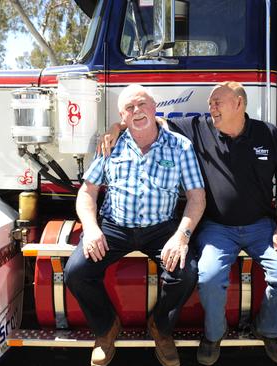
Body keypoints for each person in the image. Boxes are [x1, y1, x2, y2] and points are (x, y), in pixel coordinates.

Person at [101, 82, 277, 365]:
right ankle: (213, 335)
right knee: (207, 277)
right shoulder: (198, 127)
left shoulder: (268, 134)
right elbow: (145, 120)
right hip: (216, 228)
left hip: (261, 227)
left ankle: (268, 329)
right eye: (210, 103)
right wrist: (115, 127)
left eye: (218, 102)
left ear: (239, 104)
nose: (211, 107)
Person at [64, 84, 206, 366]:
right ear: (122, 116)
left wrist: (181, 236)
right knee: (76, 273)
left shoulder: (180, 146)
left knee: (186, 274)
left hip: (161, 228)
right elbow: (87, 192)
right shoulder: (110, 144)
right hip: (115, 226)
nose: (137, 111)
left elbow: (196, 198)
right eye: (129, 108)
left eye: (142, 104)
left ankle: (161, 328)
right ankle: (106, 329)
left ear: (154, 109)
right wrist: (92, 228)